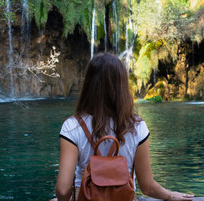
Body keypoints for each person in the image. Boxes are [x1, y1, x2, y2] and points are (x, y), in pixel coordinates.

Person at [54, 53, 194, 201]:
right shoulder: (137, 126)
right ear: (122, 85)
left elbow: (63, 191)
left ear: (89, 84)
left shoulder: (72, 126)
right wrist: (170, 195)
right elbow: (147, 186)